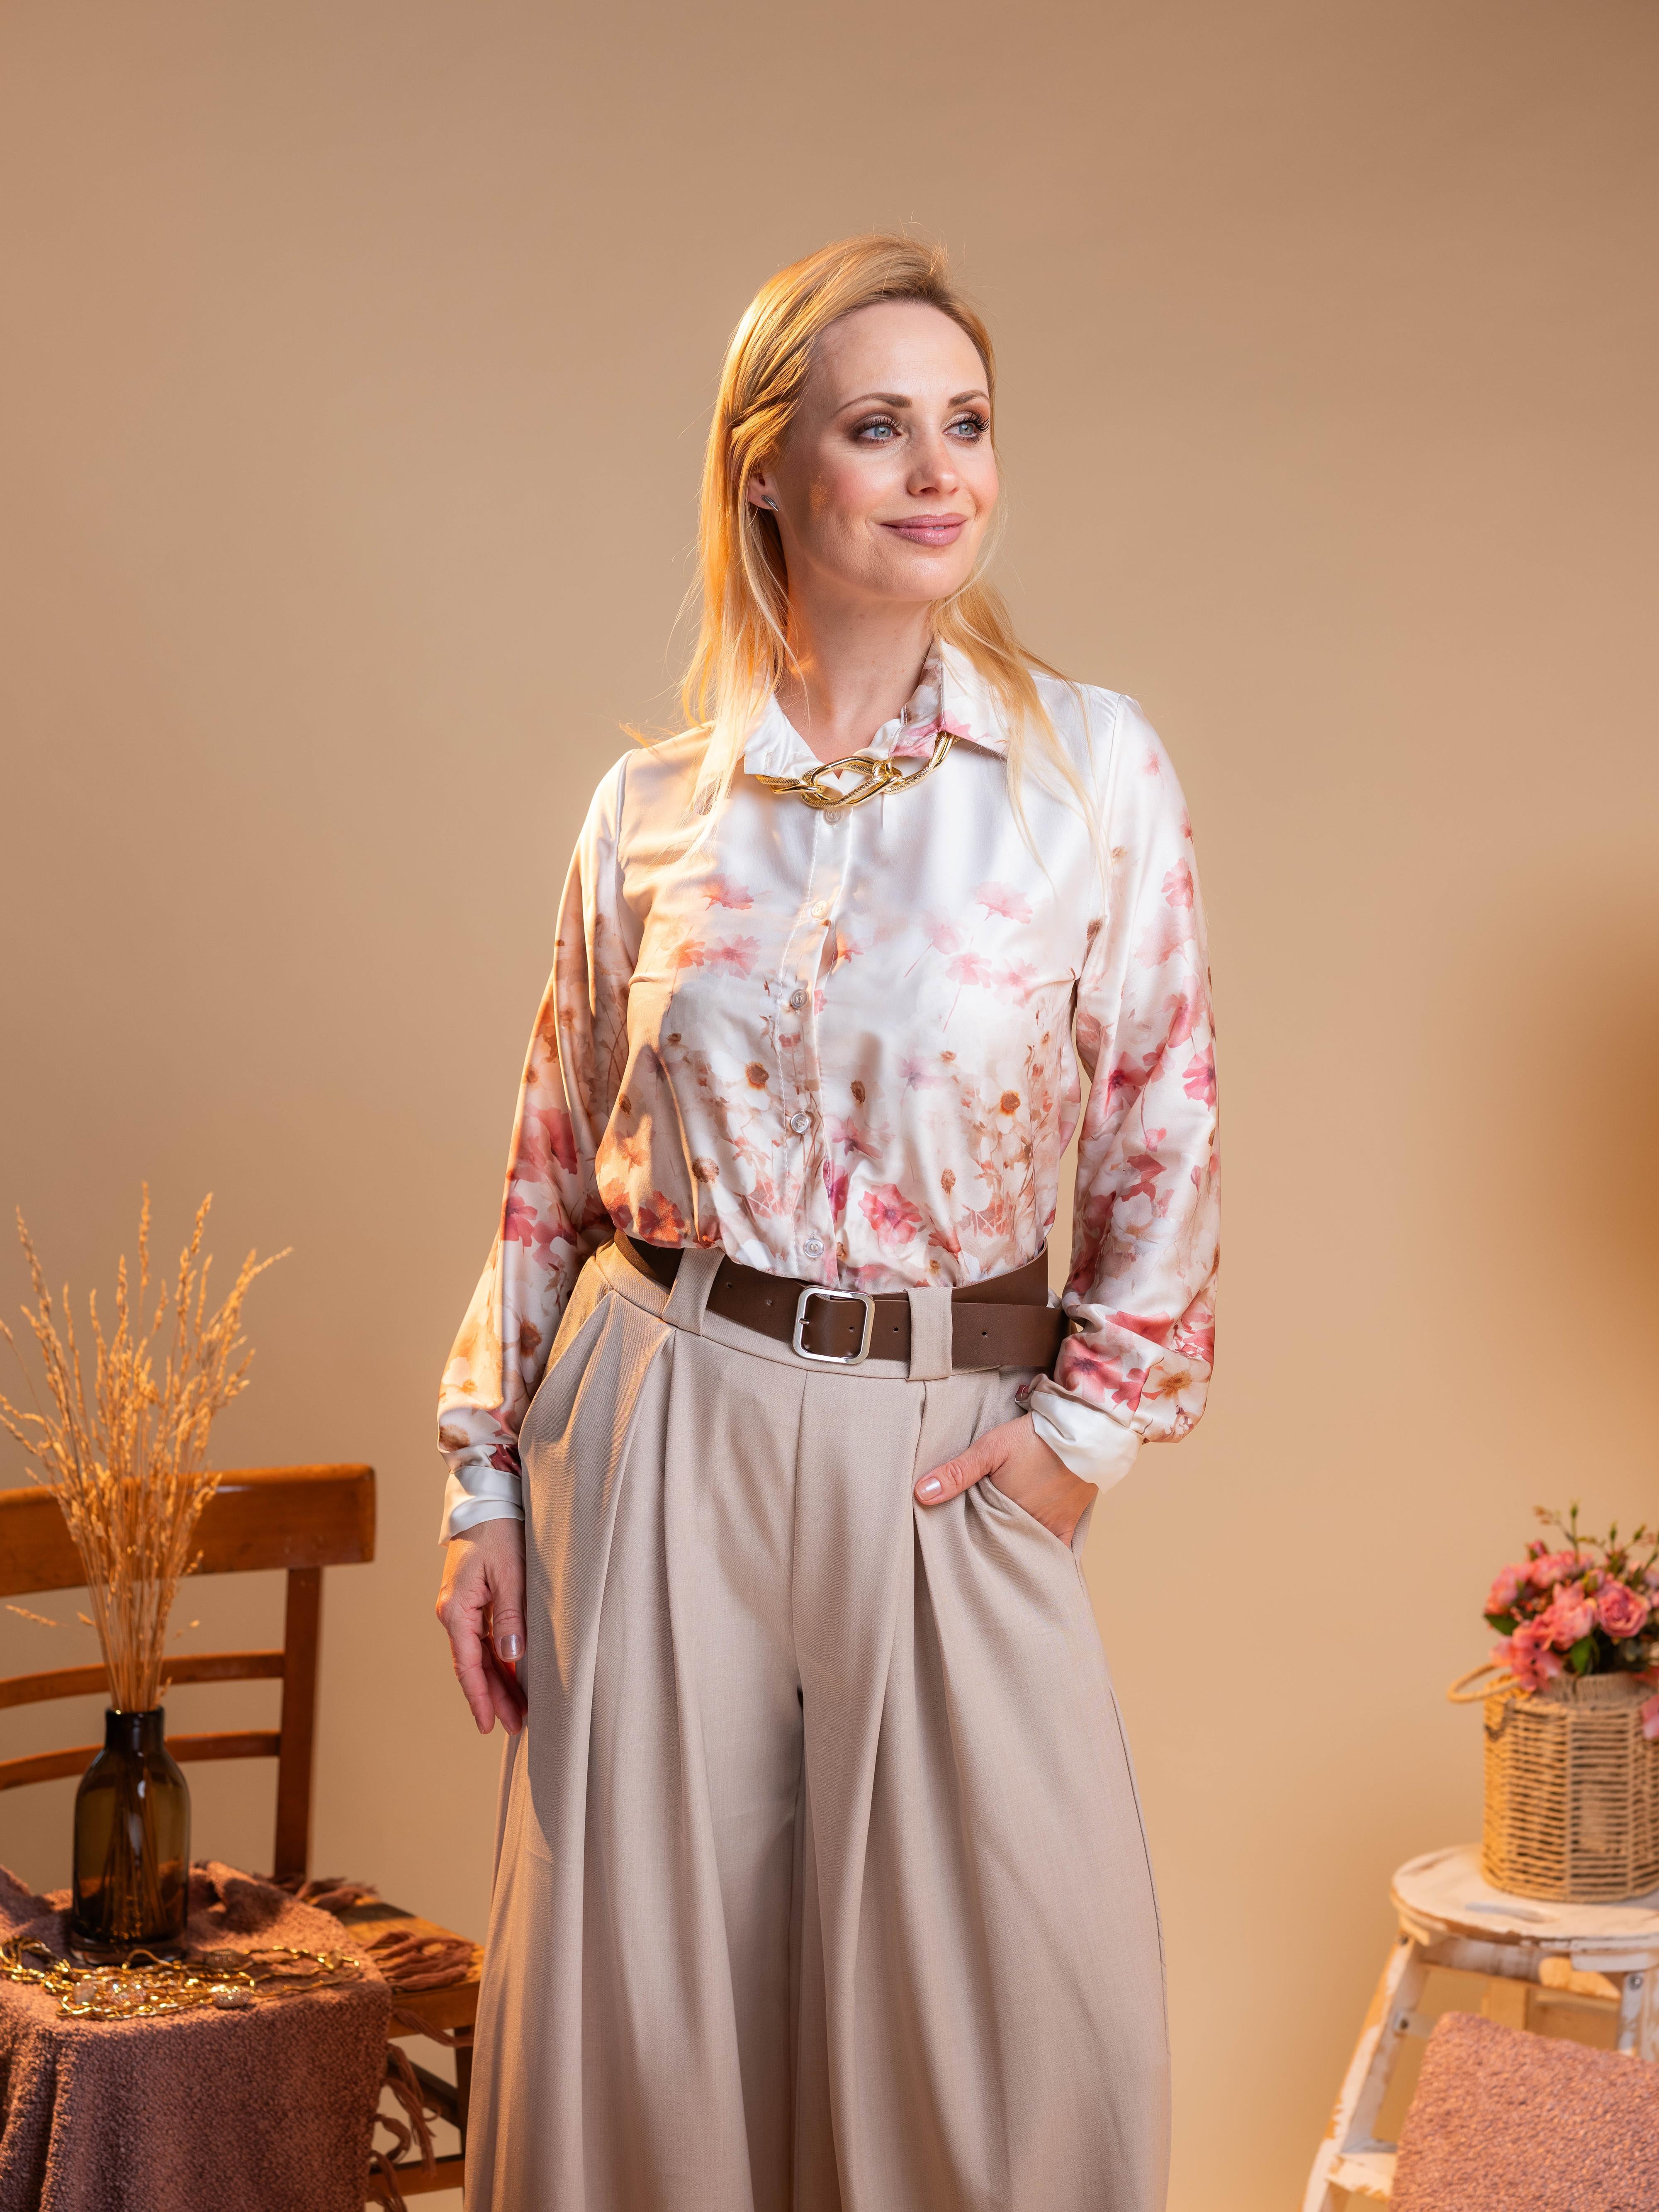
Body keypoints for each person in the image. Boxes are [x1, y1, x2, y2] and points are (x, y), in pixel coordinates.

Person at [434, 233, 1219, 2212]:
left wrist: (1081, 1438)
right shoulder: (650, 809)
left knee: (1012, 2043)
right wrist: (483, 1482)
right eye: (880, 428)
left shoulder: (1088, 774)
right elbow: (546, 1167)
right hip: (657, 1419)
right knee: (644, 2034)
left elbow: (1164, 1127)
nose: (941, 471)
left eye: (967, 423)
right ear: (766, 469)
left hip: (948, 1444)